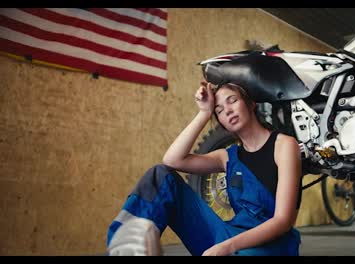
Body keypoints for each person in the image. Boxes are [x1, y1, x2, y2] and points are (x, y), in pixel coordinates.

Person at [106, 81, 302, 256]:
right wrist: (204, 113)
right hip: (229, 237)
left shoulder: (284, 145)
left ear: (251, 103)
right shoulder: (227, 157)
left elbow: (283, 221)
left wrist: (226, 247)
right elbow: (172, 160)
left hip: (269, 246)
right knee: (161, 176)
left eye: (232, 100)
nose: (227, 110)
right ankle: (128, 248)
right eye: (219, 110)